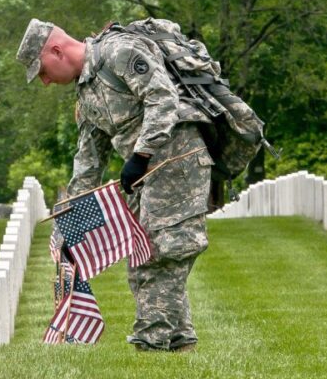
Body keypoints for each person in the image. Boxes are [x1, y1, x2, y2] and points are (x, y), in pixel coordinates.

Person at [16, 18, 214, 352]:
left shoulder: (120, 52)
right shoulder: (86, 92)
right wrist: (70, 219)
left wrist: (141, 153)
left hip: (176, 162)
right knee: (143, 255)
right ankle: (180, 343)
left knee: (161, 252)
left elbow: (163, 98)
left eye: (43, 71)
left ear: (56, 50)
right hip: (143, 175)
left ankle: (151, 343)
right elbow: (89, 160)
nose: (46, 82)